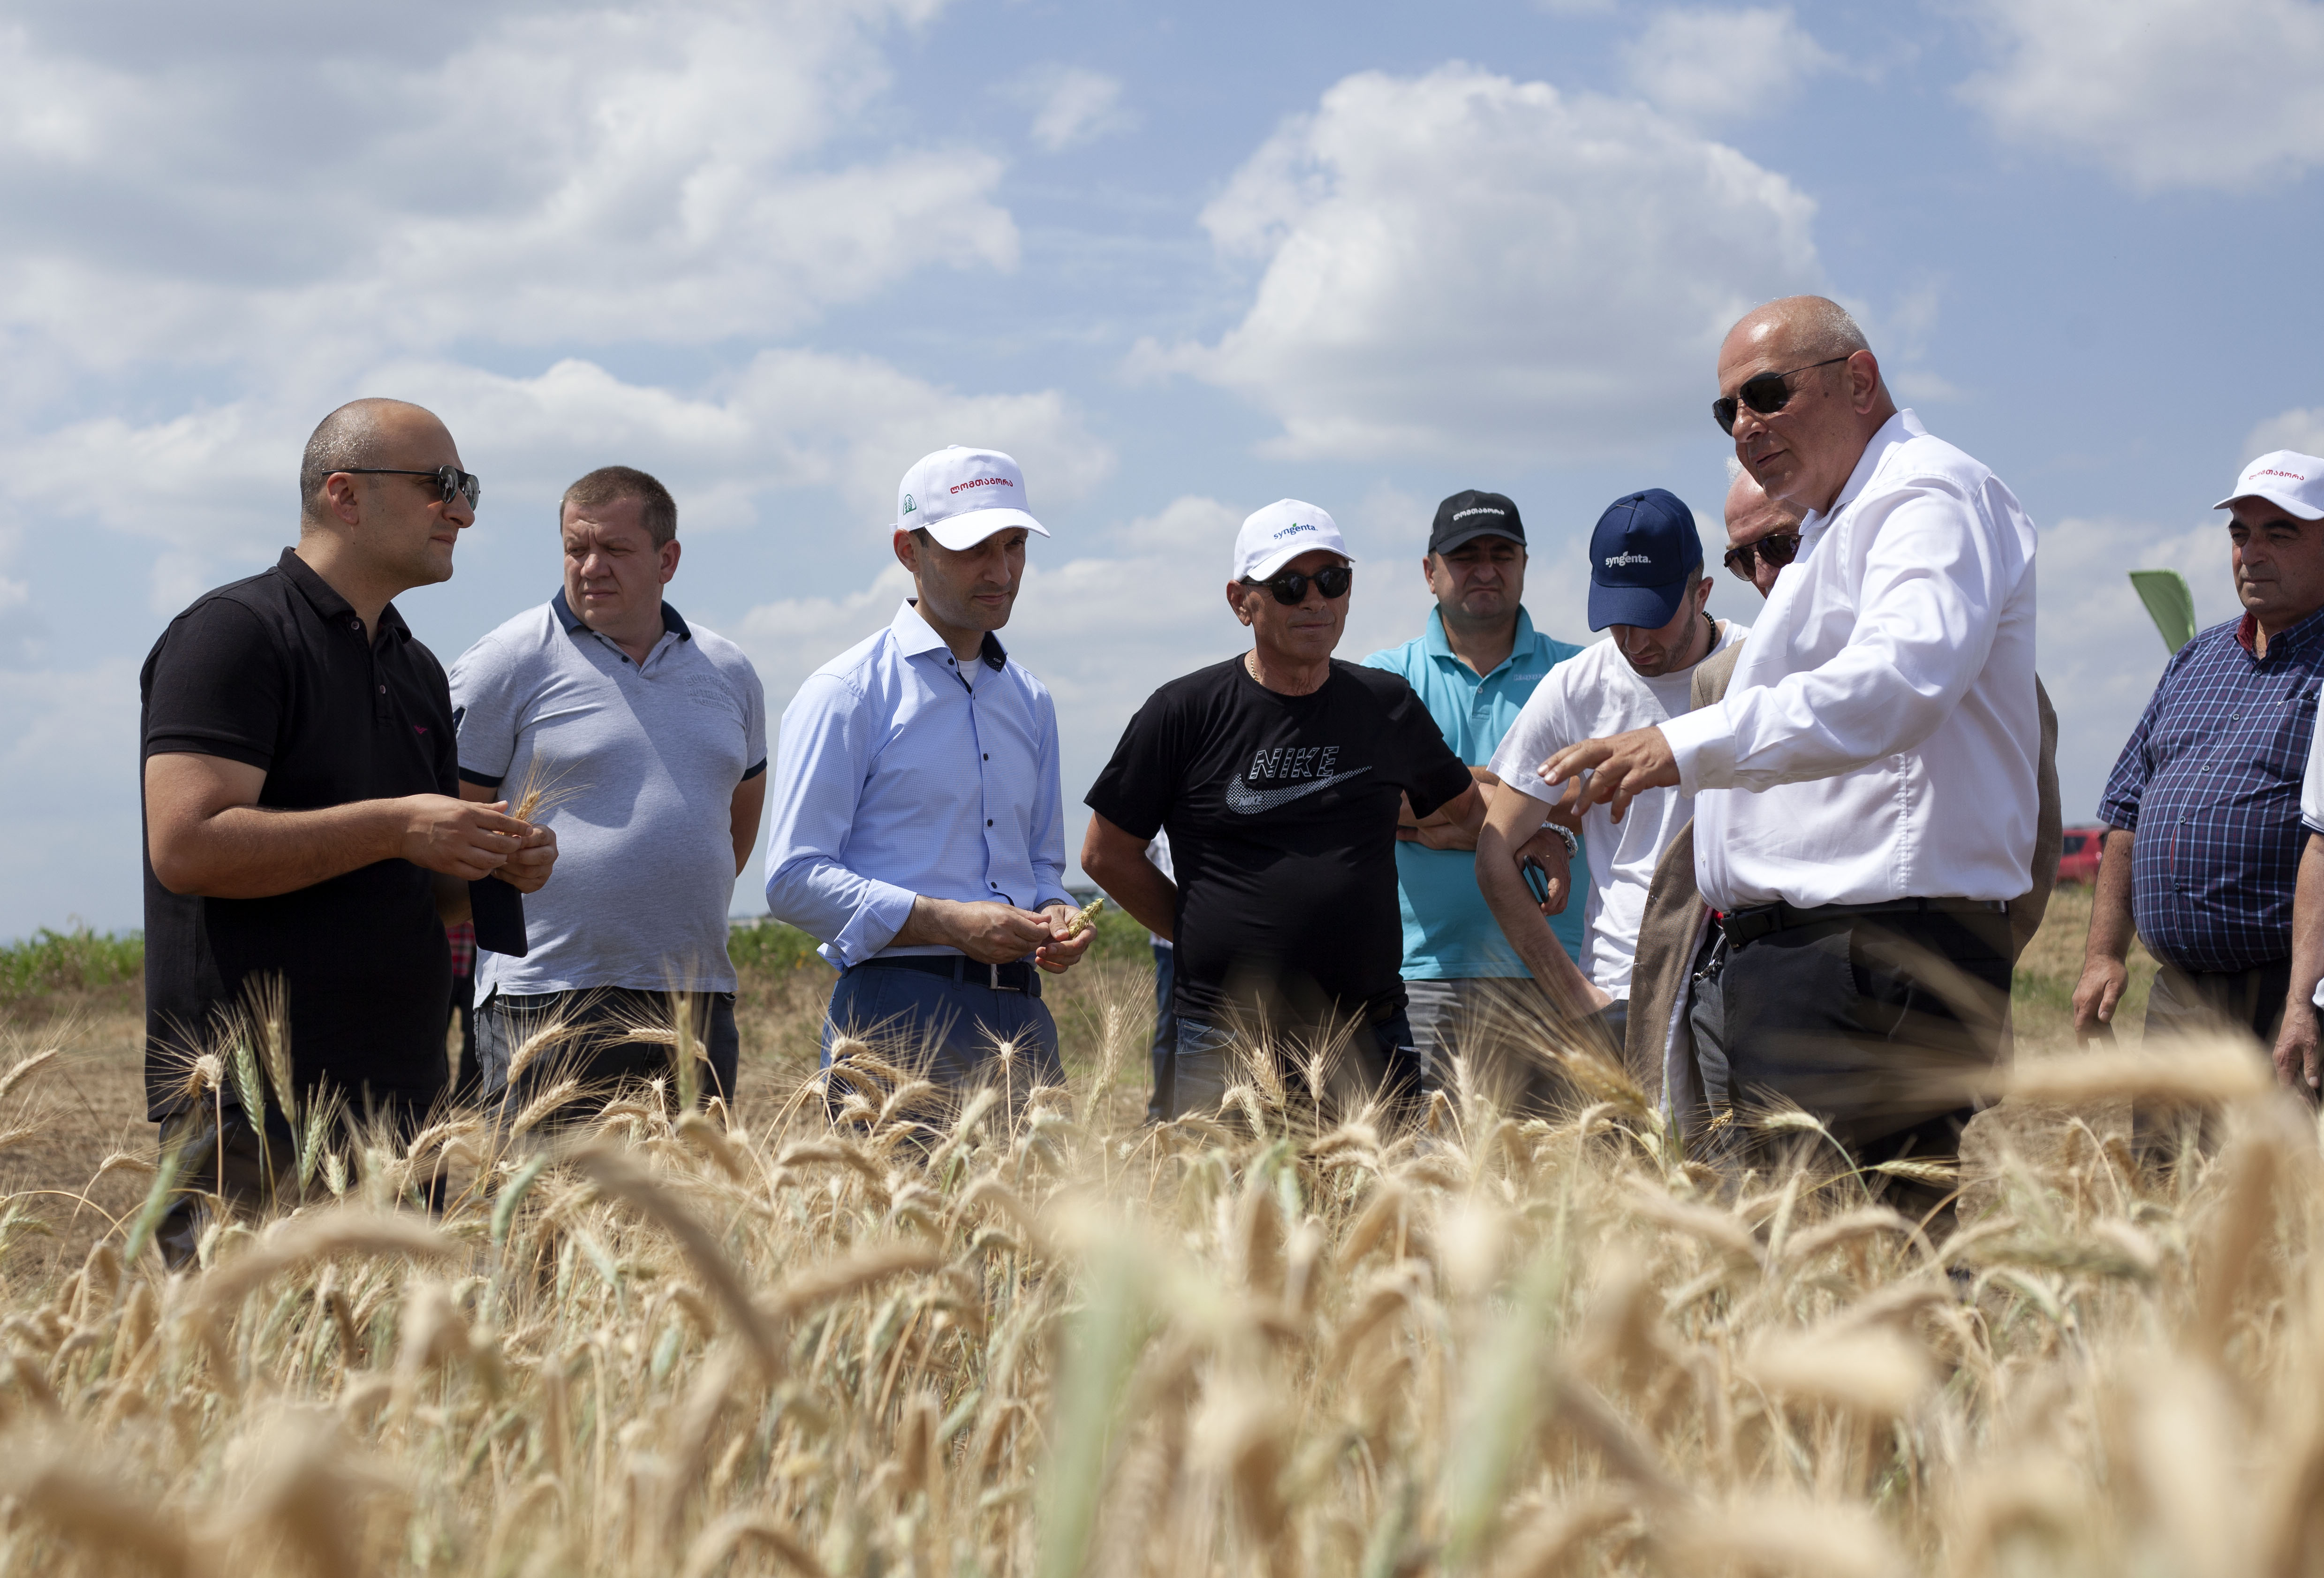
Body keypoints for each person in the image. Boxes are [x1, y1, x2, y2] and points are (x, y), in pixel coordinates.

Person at [1539, 296, 2041, 1190]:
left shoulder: (1926, 493)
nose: (1744, 424)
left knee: (1861, 1239)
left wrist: (1681, 744)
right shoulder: (1846, 517)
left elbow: (1900, 681)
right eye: (1726, 408)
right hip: (1827, 954)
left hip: (1871, 949)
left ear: (1860, 380)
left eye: (1767, 393)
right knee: (1826, 1238)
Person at [140, 398, 556, 1261]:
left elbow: (425, 894)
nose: (463, 511)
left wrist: (485, 862)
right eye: (441, 483)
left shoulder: (416, 666)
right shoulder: (233, 635)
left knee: (391, 1348)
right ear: (345, 495)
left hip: (401, 1099)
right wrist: (399, 824)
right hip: (253, 1102)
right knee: (245, 1347)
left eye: (468, 487)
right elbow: (185, 846)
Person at [1624, 467, 2061, 1138]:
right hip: (1750, 986)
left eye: (1778, 545)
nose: (1764, 574)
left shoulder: (1953, 655)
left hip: (1909, 977)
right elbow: (1710, 849)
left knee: (1892, 1193)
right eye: (1742, 559)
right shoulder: (1721, 679)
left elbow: (2033, 833)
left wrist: (1970, 962)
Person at [1081, 501, 1484, 1120]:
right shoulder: (1182, 712)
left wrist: (1542, 833)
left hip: (1368, 1034)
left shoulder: (1385, 705)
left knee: (1381, 1191)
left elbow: (1469, 811)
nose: (1314, 601)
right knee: (1223, 1192)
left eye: (1332, 580)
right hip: (1226, 1040)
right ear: (1240, 602)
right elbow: (1105, 854)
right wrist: (1196, 931)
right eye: (1290, 585)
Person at [765, 446, 1093, 1101]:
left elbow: (1039, 867)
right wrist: (946, 921)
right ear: (907, 551)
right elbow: (792, 881)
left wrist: (1054, 911)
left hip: (1022, 1016)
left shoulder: (1031, 700)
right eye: (973, 548)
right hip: (894, 1016)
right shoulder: (846, 693)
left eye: (1014, 545)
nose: (1001, 570)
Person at [451, 467, 768, 1112]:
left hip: (696, 996)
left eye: (615, 549)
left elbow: (733, 829)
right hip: (547, 995)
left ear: (667, 559)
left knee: (689, 1181)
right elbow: (448, 822)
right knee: (546, 1181)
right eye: (577, 549)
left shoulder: (729, 671)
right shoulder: (506, 661)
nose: (591, 567)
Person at [1475, 489, 1746, 1061]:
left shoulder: (1755, 666)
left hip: (1744, 975)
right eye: (1617, 619)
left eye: (1652, 616)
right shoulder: (1575, 685)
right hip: (1624, 987)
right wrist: (1575, 996)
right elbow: (1493, 850)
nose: (1633, 640)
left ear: (1701, 592)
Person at [2075, 452, 2324, 1066]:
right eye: (2239, 534)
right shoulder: (2194, 659)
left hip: (2290, 998)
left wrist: (2303, 1000)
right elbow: (2126, 814)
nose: (2251, 553)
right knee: (2164, 1139)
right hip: (2179, 1000)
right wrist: (2103, 954)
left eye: (2278, 535)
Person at [1359, 490, 1590, 1104]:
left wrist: (1453, 794)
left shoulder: (1578, 673)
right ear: (1429, 571)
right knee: (1433, 1161)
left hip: (1560, 969)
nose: (1485, 569)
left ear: (1524, 564)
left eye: (1500, 554)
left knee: (1566, 1162)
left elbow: (1593, 793)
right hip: (1425, 971)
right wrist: (1532, 818)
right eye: (1465, 556)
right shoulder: (1385, 675)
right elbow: (1380, 797)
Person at [1144, 832, 1179, 1123]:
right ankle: (1160, 1111)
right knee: (1169, 1025)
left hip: (1210, 939)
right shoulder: (1154, 829)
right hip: (1168, 946)